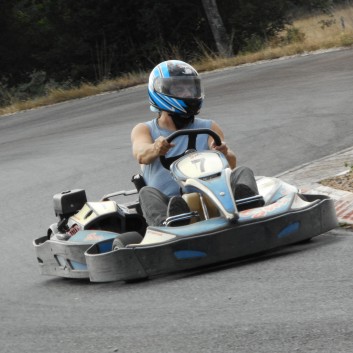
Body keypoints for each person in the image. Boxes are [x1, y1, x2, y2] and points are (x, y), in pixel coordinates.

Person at [131, 60, 259, 226]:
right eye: (179, 89)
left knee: (243, 172)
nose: (187, 93)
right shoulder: (144, 130)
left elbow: (231, 164)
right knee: (146, 192)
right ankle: (170, 225)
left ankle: (249, 210)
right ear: (161, 90)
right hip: (170, 203)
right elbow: (141, 154)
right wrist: (155, 148)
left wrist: (224, 152)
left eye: (190, 88)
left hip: (212, 196)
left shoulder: (208, 127)